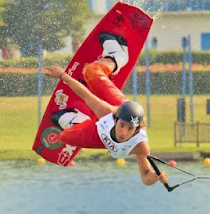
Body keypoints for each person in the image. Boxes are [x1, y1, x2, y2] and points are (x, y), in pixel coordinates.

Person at [43, 32, 169, 187]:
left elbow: (145, 177)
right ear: (115, 120)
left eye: (130, 129)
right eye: (122, 125)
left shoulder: (140, 145)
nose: (123, 133)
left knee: (63, 136)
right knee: (90, 71)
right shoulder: (107, 112)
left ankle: (78, 121)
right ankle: (117, 55)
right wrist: (62, 75)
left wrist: (156, 177)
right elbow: (85, 93)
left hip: (100, 137)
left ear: (136, 130)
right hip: (119, 107)